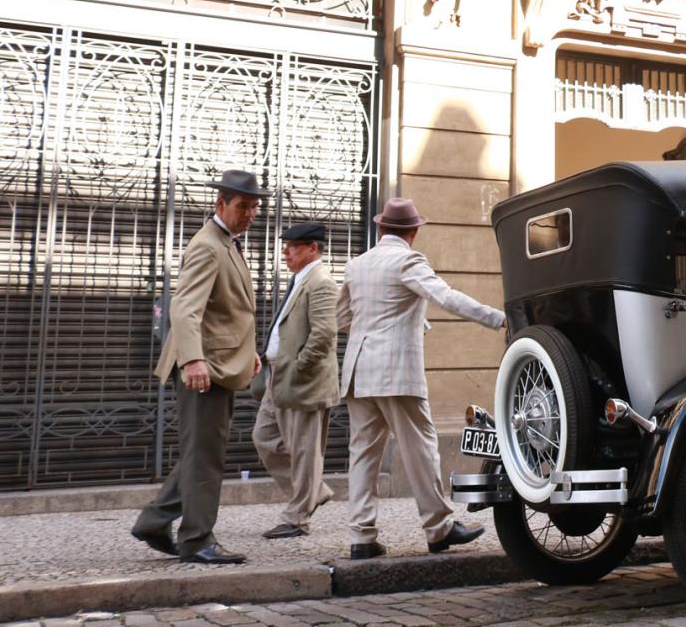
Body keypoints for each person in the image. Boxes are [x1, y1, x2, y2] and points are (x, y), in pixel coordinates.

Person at [339, 197, 506, 559]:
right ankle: (439, 529)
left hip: (358, 371)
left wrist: (393, 325)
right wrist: (499, 318)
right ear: (413, 233)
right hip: (395, 371)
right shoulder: (408, 260)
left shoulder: (356, 265)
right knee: (422, 450)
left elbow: (342, 319)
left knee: (363, 455)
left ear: (381, 228)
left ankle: (362, 537)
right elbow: (446, 297)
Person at [131, 170, 267, 564]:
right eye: (243, 206)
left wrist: (249, 350)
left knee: (201, 451)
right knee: (206, 455)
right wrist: (192, 359)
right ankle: (197, 539)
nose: (250, 213)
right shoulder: (209, 245)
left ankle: (155, 522)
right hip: (204, 367)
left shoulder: (227, 243)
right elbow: (186, 308)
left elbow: (227, 311)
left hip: (219, 362)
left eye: (254, 207)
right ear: (220, 204)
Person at [252, 220, 340, 539]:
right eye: (285, 247)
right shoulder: (299, 279)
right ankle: (313, 490)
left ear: (313, 249)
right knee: (264, 438)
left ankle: (297, 517)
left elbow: (324, 333)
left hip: (302, 379)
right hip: (279, 376)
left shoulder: (321, 282)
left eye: (292, 248)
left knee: (304, 449)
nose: (286, 253)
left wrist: (299, 366)